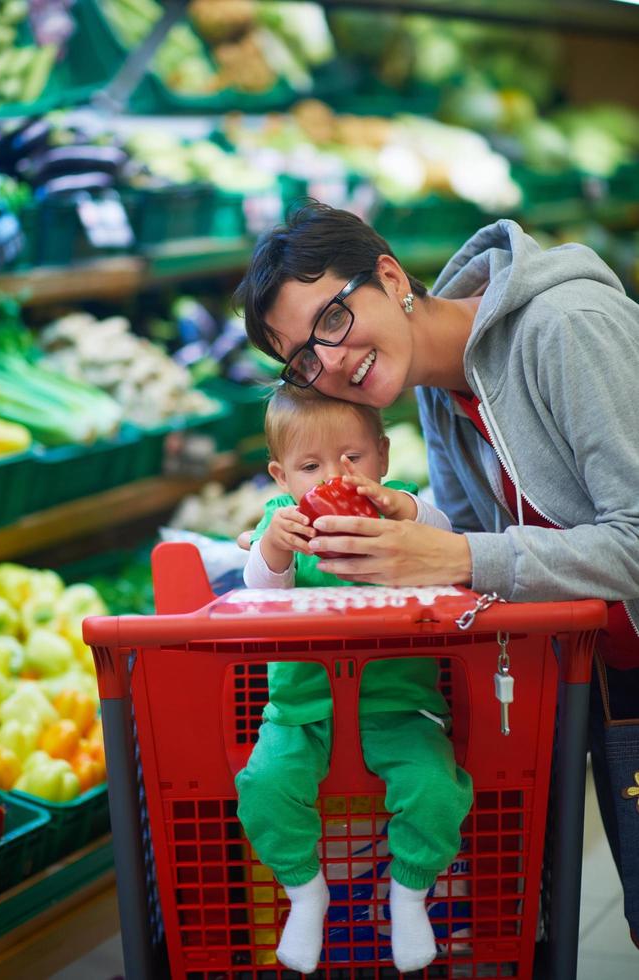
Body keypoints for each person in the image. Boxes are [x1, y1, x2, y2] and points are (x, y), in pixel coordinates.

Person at [234, 202, 639, 946]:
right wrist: (401, 530)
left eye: (331, 321)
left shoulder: (565, 327)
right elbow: (482, 540)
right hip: (606, 671)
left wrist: (453, 556)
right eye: (301, 359)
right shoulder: (435, 392)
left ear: (390, 277)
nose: (326, 364)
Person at [235, 383, 473, 974]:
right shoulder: (282, 523)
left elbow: (446, 539)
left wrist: (409, 512)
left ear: (384, 459)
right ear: (280, 475)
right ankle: (304, 892)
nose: (334, 477)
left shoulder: (398, 508)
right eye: (310, 466)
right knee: (263, 786)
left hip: (399, 704)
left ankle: (410, 893)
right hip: (302, 708)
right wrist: (272, 548)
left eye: (353, 459)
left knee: (436, 787)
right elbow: (259, 595)